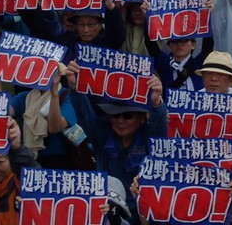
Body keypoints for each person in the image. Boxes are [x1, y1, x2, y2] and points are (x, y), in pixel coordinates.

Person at [65, 62, 167, 224]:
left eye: (128, 116)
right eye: (114, 115)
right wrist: (75, 86)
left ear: (142, 119)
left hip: (144, 217)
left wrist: (155, 102)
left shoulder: (151, 139)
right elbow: (84, 113)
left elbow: (160, 126)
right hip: (107, 215)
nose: (120, 120)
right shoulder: (101, 134)